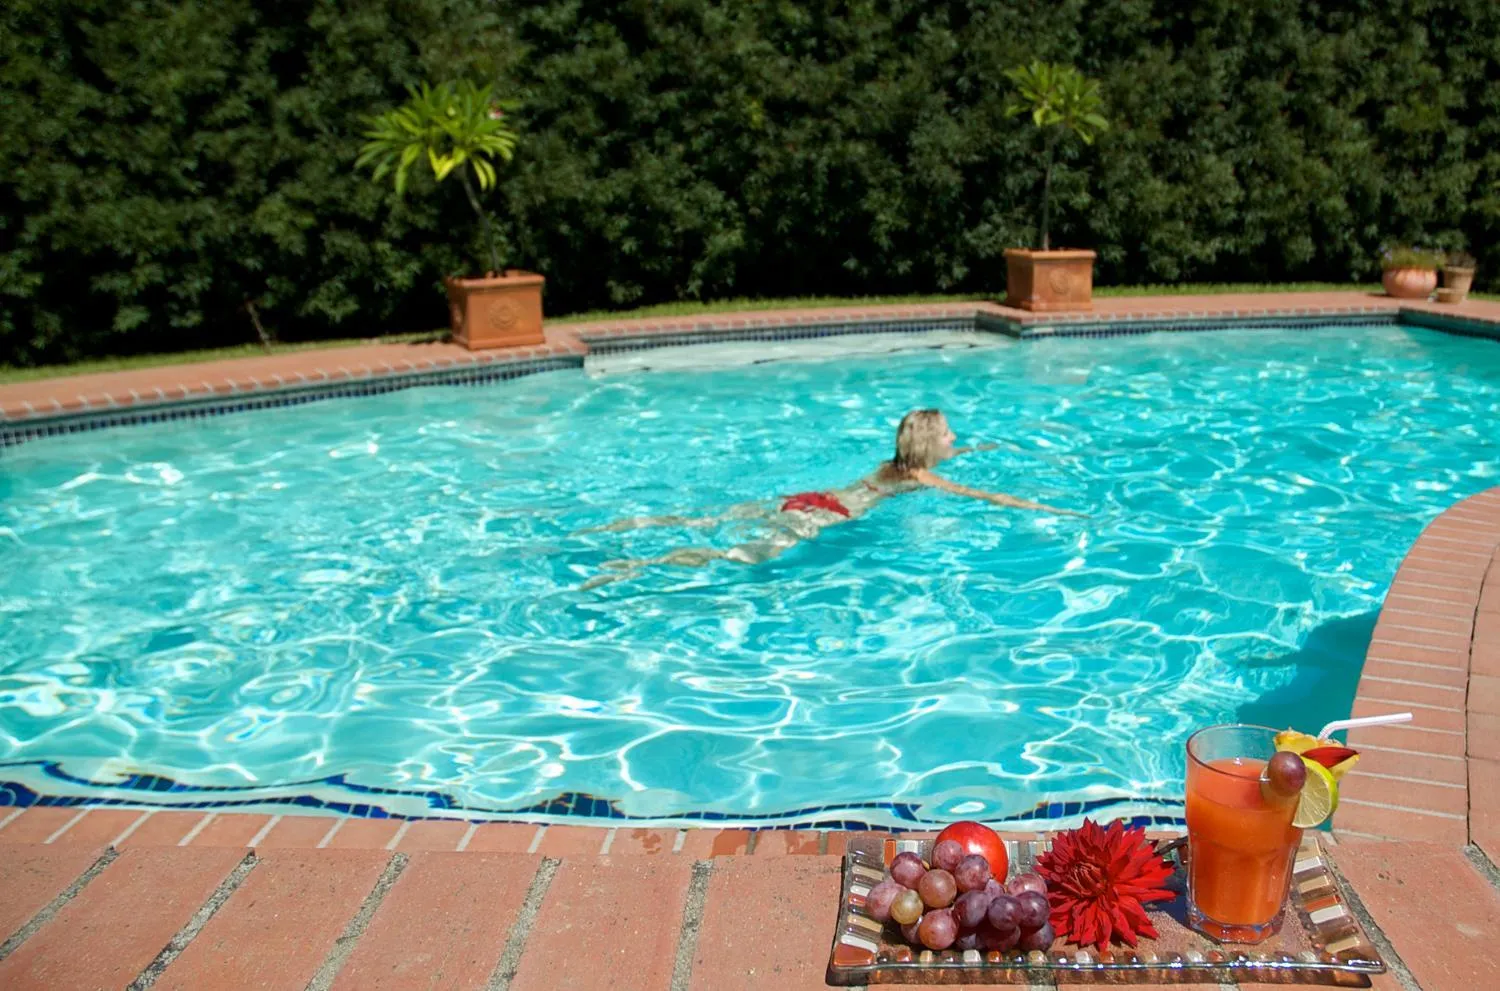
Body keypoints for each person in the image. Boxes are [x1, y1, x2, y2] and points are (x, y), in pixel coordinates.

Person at [580, 409, 1080, 588]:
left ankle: (624, 530)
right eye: (950, 435)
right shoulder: (924, 479)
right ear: (930, 446)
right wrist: (1046, 509)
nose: (955, 439)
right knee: (734, 554)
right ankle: (640, 568)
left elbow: (948, 458)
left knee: (707, 519)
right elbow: (986, 496)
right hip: (831, 516)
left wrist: (978, 449)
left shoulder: (891, 465)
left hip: (813, 497)